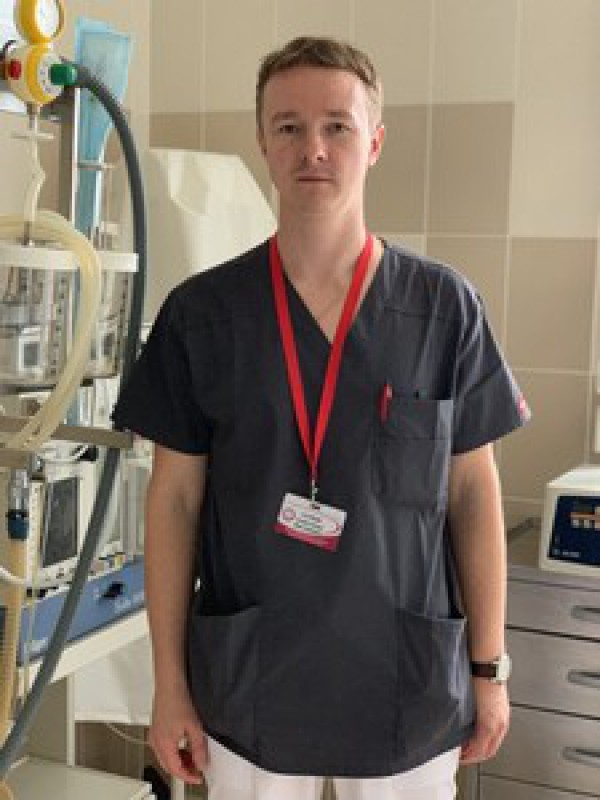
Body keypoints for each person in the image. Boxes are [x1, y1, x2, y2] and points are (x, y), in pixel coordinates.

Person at [113, 35, 530, 800]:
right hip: (251, 682)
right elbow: (173, 503)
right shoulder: (202, 316)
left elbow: (474, 497)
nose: (313, 148)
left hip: (406, 682)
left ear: (374, 142)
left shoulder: (444, 309)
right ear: (263, 143)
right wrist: (168, 685)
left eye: (338, 126)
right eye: (289, 126)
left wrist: (490, 668)